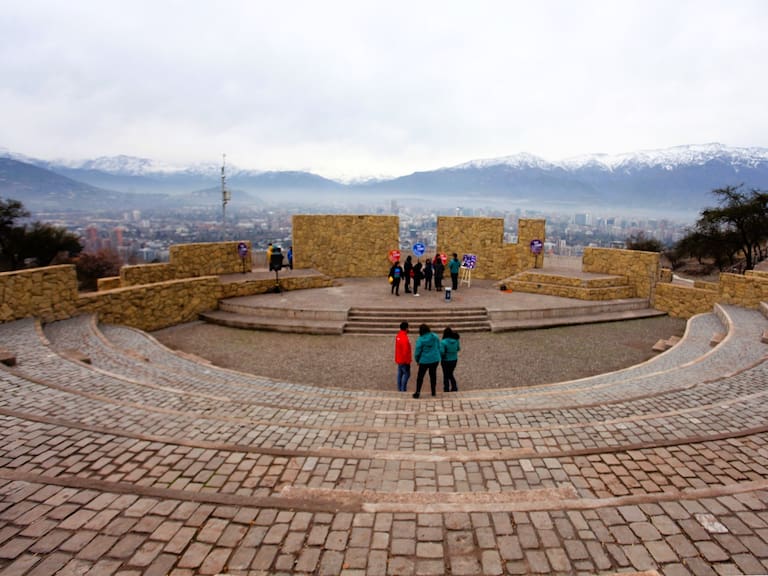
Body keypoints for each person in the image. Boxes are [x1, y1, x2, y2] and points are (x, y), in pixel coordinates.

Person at [413, 323, 441, 398]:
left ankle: (418, 392)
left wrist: (417, 360)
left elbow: (417, 351)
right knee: (433, 375)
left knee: (420, 377)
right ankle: (433, 392)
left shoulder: (420, 339)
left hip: (424, 360)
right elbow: (439, 346)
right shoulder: (434, 336)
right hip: (434, 359)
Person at [440, 327, 461, 392]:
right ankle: (454, 387)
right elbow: (458, 349)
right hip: (454, 359)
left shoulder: (443, 342)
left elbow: (442, 352)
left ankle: (447, 388)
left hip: (445, 360)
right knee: (450, 373)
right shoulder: (456, 340)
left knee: (446, 375)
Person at [394, 321, 412, 392]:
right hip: (404, 360)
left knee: (400, 374)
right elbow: (405, 351)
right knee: (407, 374)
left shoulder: (398, 335)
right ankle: (403, 389)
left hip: (399, 359)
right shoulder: (405, 338)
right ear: (406, 328)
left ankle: (399, 388)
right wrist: (407, 361)